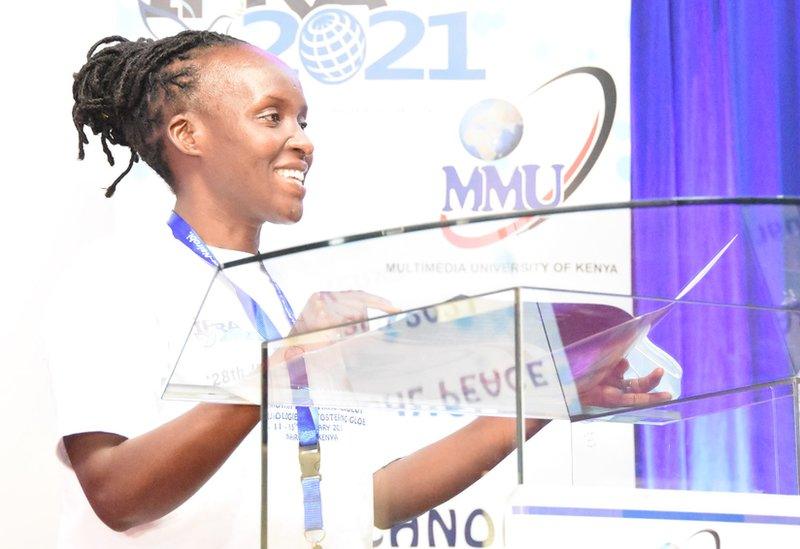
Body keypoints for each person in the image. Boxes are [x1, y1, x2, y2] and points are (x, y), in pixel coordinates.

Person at [51, 29, 670, 548]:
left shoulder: (293, 293)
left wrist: (540, 402)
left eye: (301, 119)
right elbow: (117, 495)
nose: (303, 140)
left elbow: (372, 496)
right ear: (190, 136)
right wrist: (277, 368)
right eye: (271, 117)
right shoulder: (117, 277)